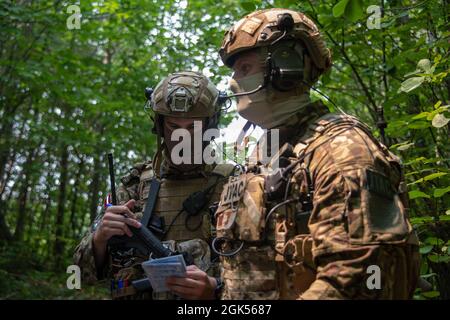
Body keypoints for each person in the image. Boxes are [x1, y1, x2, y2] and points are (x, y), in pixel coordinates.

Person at [213, 8, 420, 299]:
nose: (232, 82)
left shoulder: (342, 149)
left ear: (286, 66)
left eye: (244, 69)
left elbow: (359, 275)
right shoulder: (264, 154)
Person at [74, 71, 235, 300]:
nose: (182, 136)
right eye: (172, 125)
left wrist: (216, 289)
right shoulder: (135, 186)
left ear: (210, 126)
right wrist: (100, 238)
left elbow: (258, 276)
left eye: (193, 127)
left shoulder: (233, 184)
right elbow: (78, 274)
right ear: (159, 126)